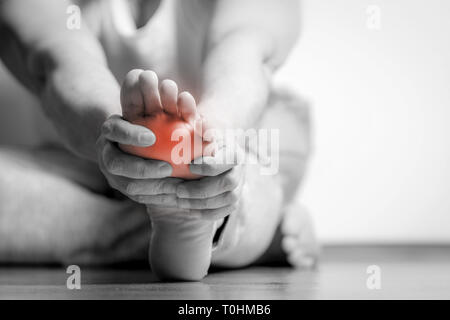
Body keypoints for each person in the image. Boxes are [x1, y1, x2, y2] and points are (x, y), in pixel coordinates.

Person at [0, 0, 318, 280]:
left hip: (233, 147)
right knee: (245, 202)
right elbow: (59, 62)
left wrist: (208, 138)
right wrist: (126, 136)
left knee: (245, 178)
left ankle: (208, 212)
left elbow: (243, 56)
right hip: (87, 160)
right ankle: (230, 230)